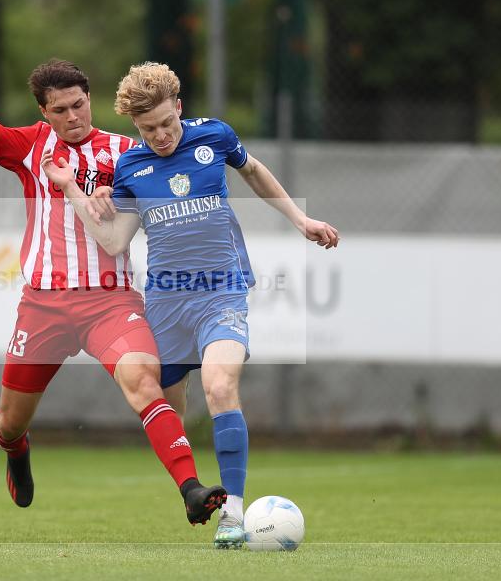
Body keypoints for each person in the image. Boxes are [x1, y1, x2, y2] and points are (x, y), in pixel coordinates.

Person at [0, 20, 226, 525]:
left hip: (110, 301)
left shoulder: (127, 155)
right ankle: (16, 449)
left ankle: (192, 490)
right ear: (44, 111)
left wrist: (125, 200)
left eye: (78, 104)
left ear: (91, 98)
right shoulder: (28, 146)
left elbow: (163, 208)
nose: (72, 116)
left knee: (143, 384)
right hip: (43, 304)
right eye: (59, 110)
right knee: (11, 421)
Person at [41, 62, 339, 548]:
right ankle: (198, 490)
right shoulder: (132, 167)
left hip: (220, 290)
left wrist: (299, 219)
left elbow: (255, 172)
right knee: (168, 406)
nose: (160, 135)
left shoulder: (214, 137)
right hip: (164, 303)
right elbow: (115, 241)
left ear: (179, 106)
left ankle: (234, 516)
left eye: (166, 123)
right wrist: (74, 190)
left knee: (220, 385)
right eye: (147, 129)